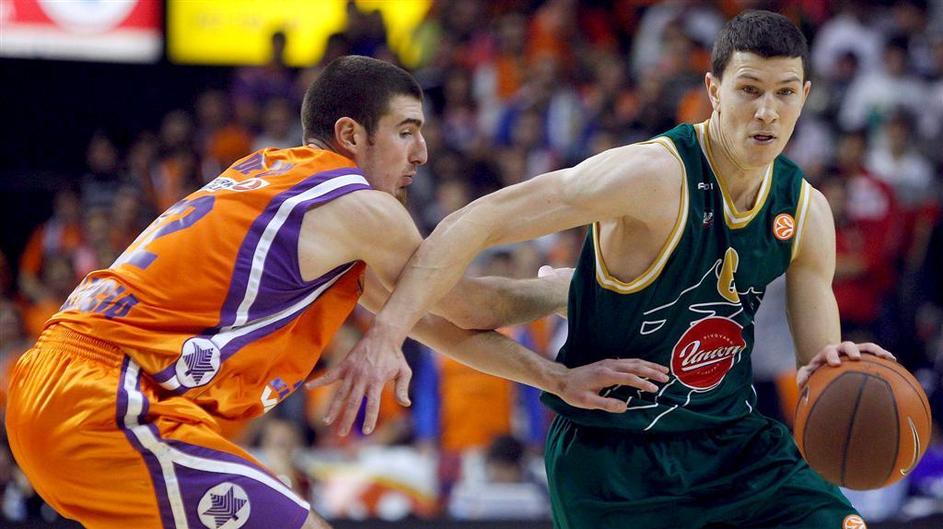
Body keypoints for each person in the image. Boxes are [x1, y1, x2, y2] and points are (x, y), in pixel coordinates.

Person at [4, 56, 660, 529]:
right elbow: (468, 305)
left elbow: (439, 327)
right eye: (405, 131)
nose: (422, 152)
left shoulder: (272, 179)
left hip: (61, 389)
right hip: (105, 399)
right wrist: (567, 290)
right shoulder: (354, 206)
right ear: (350, 135)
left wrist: (554, 378)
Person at [326, 12, 898, 529]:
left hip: (730, 444)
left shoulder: (806, 211)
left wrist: (844, 374)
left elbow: (819, 377)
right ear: (713, 90)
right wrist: (387, 334)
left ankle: (571, 291)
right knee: (476, 303)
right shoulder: (651, 176)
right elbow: (480, 219)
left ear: (805, 95)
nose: (767, 110)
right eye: (749, 89)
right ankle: (571, 292)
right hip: (613, 455)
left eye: (785, 92)